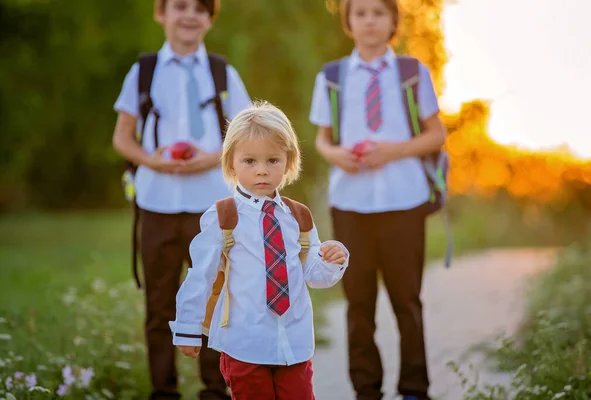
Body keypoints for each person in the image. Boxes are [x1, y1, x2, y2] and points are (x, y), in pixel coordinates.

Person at [112, 0, 251, 398]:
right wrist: (149, 161)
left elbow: (246, 134)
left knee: (216, 297)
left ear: (210, 18)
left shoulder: (223, 73)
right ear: (161, 13)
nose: (189, 15)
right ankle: (164, 391)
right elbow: (123, 136)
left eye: (199, 8)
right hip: (157, 203)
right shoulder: (144, 72)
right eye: (179, 6)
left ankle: (214, 389)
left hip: (212, 206)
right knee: (160, 303)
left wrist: (209, 159)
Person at [308, 0, 447, 399]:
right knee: (358, 305)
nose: (370, 21)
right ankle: (366, 390)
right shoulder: (332, 77)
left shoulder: (412, 73)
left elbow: (436, 134)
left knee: (407, 301)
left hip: (404, 201)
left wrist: (393, 151)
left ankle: (414, 389)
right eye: (360, 13)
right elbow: (322, 139)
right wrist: (336, 155)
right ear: (348, 23)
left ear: (393, 22)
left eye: (378, 13)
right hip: (351, 204)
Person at [169, 101, 350, 400]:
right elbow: (200, 276)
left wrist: (332, 260)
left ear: (288, 162)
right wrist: (188, 328)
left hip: (294, 342)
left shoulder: (298, 216)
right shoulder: (224, 216)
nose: (262, 171)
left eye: (273, 160)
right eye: (250, 161)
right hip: (244, 344)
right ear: (231, 164)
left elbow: (314, 276)